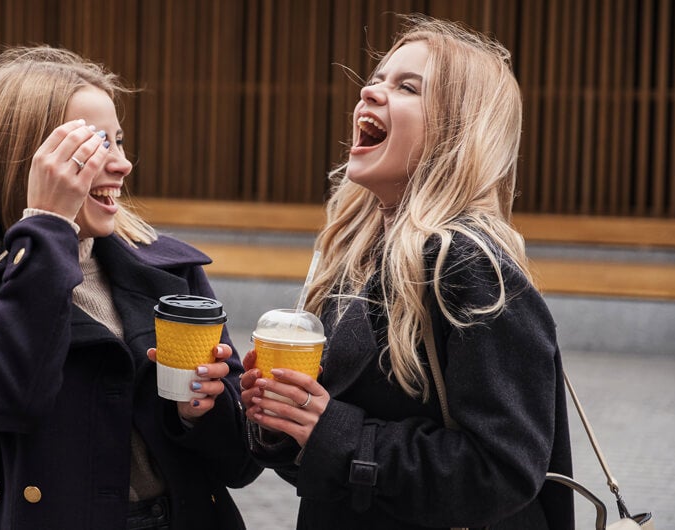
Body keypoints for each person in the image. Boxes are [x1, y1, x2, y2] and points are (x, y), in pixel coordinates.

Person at [0, 46, 260, 529]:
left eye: (119, 141)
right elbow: (9, 398)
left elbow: (240, 464)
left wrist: (198, 413)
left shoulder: (172, 271)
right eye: (94, 145)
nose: (123, 164)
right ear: (28, 163)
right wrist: (48, 225)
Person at [239, 15, 574, 530]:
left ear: (456, 129)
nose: (369, 93)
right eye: (375, 79)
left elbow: (503, 471)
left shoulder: (466, 264)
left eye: (406, 87)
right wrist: (285, 418)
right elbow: (331, 463)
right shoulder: (355, 253)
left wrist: (329, 430)